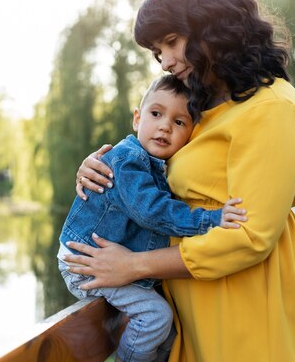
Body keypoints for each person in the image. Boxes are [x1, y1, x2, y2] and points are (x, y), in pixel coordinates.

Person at [63, 0, 295, 362]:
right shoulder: (198, 108)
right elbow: (154, 169)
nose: (166, 62)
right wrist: (103, 168)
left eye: (172, 42)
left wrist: (135, 266)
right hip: (196, 308)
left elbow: (249, 236)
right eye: (158, 53)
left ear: (213, 26)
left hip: (252, 306)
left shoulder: (273, 107)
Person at [58, 74, 247, 362]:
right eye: (156, 114)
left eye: (179, 122)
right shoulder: (127, 160)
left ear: (191, 134)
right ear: (137, 118)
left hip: (107, 262)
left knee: (169, 336)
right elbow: (152, 212)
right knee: (156, 317)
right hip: (86, 262)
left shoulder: (158, 166)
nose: (164, 126)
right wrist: (212, 219)